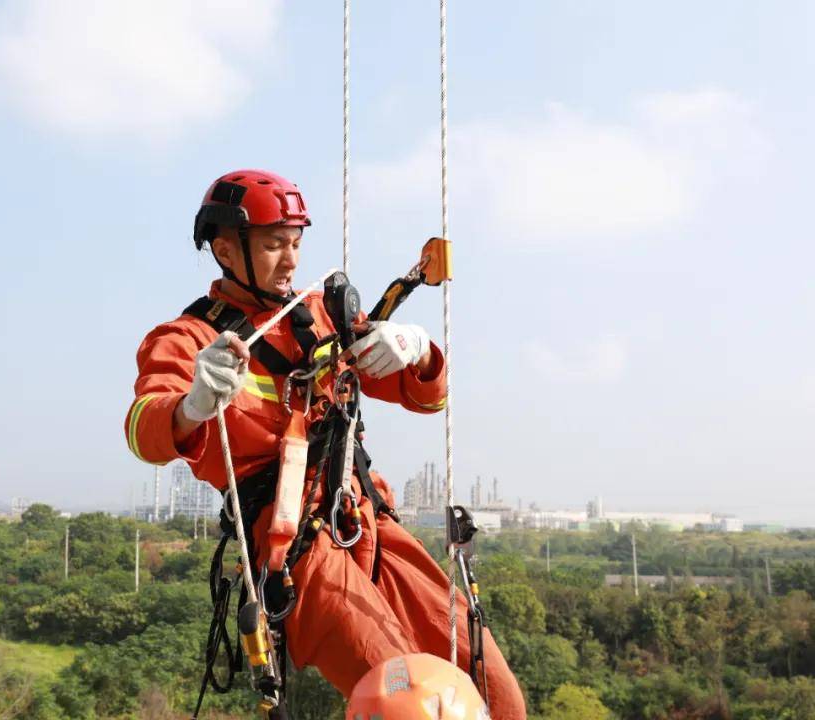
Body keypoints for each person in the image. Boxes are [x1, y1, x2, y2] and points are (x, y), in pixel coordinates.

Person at [125, 169, 526, 719]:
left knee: (497, 694)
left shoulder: (319, 317)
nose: (291, 259)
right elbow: (145, 429)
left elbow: (426, 398)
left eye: (295, 242)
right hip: (295, 546)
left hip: (367, 519)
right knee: (405, 702)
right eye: (273, 244)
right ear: (225, 249)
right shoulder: (190, 339)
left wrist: (418, 350)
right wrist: (192, 403)